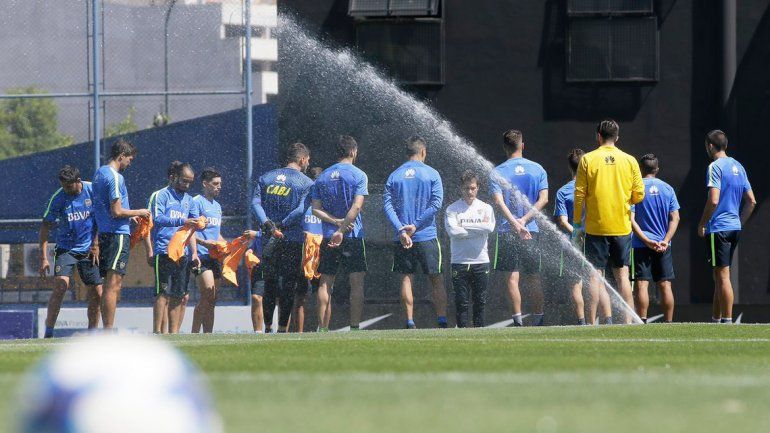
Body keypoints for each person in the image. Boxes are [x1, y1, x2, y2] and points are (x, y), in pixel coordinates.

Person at [573, 119, 644, 324]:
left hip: (596, 227)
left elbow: (579, 195)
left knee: (595, 275)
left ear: (598, 136)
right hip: (621, 226)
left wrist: (577, 224)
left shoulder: (588, 159)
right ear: (617, 137)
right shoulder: (629, 160)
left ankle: (591, 322)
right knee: (623, 276)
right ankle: (627, 323)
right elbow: (639, 194)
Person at [383, 136, 447, 329]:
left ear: (407, 153)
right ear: (423, 152)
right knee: (436, 279)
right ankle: (442, 321)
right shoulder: (432, 173)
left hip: (402, 238)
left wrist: (401, 230)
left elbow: (387, 206)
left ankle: (410, 321)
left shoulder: (394, 175)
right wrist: (416, 225)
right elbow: (436, 203)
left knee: (406, 277)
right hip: (426, 235)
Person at [252, 142, 314, 333]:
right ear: (302, 159)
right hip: (291, 239)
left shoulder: (266, 177)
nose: (308, 164)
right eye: (308, 161)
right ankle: (281, 329)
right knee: (287, 285)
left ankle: (268, 327)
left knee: (269, 283)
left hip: (268, 239)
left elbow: (255, 203)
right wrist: (282, 225)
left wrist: (268, 225)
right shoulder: (306, 183)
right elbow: (301, 210)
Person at [697, 130, 755, 324]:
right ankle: (716, 318)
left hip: (719, 228)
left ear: (710, 146)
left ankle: (727, 321)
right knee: (718, 275)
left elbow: (713, 201)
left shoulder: (715, 166)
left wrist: (703, 223)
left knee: (722, 276)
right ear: (726, 146)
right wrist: (739, 222)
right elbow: (751, 201)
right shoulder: (739, 166)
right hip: (733, 227)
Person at [489, 130, 546, 326]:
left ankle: (518, 322)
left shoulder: (497, 171)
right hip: (531, 230)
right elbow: (544, 199)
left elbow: (498, 202)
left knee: (512, 278)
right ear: (523, 145)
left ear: (505, 147)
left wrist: (515, 223)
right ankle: (539, 320)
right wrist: (524, 220)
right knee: (533, 277)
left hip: (508, 231)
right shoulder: (537, 169)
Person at [311, 135, 368, 332]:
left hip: (328, 236)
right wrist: (343, 228)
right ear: (353, 152)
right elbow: (357, 206)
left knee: (325, 282)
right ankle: (354, 327)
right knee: (356, 283)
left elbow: (315, 210)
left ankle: (322, 328)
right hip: (352, 235)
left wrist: (335, 223)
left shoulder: (323, 176)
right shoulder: (359, 174)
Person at [92, 139, 150, 329]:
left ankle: (98, 328)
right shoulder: (115, 177)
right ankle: (108, 331)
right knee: (113, 285)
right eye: (129, 160)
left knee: (106, 284)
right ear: (121, 156)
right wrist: (139, 212)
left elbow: (105, 206)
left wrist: (128, 216)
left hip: (106, 234)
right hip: (117, 235)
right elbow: (116, 211)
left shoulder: (99, 173)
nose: (129, 164)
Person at [38, 165, 102, 337]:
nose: (65, 190)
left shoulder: (92, 190)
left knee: (97, 291)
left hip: (88, 249)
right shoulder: (58, 198)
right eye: (63, 186)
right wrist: (43, 258)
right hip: (66, 249)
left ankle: (92, 334)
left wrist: (96, 244)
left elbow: (102, 217)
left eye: (68, 186)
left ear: (78, 181)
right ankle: (49, 333)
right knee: (61, 286)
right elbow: (45, 225)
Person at [148, 162, 200, 334]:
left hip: (182, 254)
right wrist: (182, 221)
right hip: (163, 251)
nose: (186, 185)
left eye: (190, 182)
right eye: (184, 181)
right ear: (173, 177)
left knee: (179, 294)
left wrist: (194, 252)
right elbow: (157, 219)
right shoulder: (161, 196)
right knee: (161, 292)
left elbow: (191, 229)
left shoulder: (190, 201)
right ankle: (157, 332)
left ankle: (174, 333)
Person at [630, 154, 680, 323]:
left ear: (640, 169)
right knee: (665, 284)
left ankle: (642, 320)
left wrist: (646, 240)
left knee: (642, 284)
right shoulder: (668, 189)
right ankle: (669, 322)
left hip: (640, 243)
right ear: (657, 169)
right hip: (663, 244)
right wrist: (665, 240)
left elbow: (631, 220)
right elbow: (675, 218)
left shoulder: (635, 189)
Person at [445, 170, 495, 328]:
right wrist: (477, 228)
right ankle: (462, 333)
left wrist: (464, 226)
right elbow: (453, 231)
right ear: (461, 188)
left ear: (478, 188)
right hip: (459, 262)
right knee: (461, 303)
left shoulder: (486, 208)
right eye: (466, 188)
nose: (469, 191)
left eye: (473, 188)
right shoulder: (452, 209)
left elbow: (488, 228)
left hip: (481, 262)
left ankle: (480, 332)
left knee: (480, 301)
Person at [553, 149, 587, 325]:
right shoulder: (593, 188)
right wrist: (584, 233)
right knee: (597, 280)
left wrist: (576, 233)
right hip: (592, 240)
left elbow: (562, 220)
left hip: (572, 242)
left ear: (570, 167)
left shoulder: (562, 192)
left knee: (575, 284)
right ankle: (605, 320)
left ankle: (582, 321)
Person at [190, 168, 225, 333]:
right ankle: (194, 334)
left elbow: (216, 234)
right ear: (205, 184)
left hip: (214, 256)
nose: (219, 187)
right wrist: (204, 242)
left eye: (220, 184)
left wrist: (227, 245)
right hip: (201, 256)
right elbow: (189, 231)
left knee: (213, 299)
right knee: (207, 294)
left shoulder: (217, 206)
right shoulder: (196, 201)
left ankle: (208, 336)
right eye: (215, 184)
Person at [293, 166, 324, 333]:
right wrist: (303, 233)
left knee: (323, 291)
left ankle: (323, 328)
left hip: (320, 253)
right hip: (303, 253)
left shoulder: (327, 203)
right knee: (301, 296)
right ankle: (299, 333)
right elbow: (295, 224)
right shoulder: (302, 204)